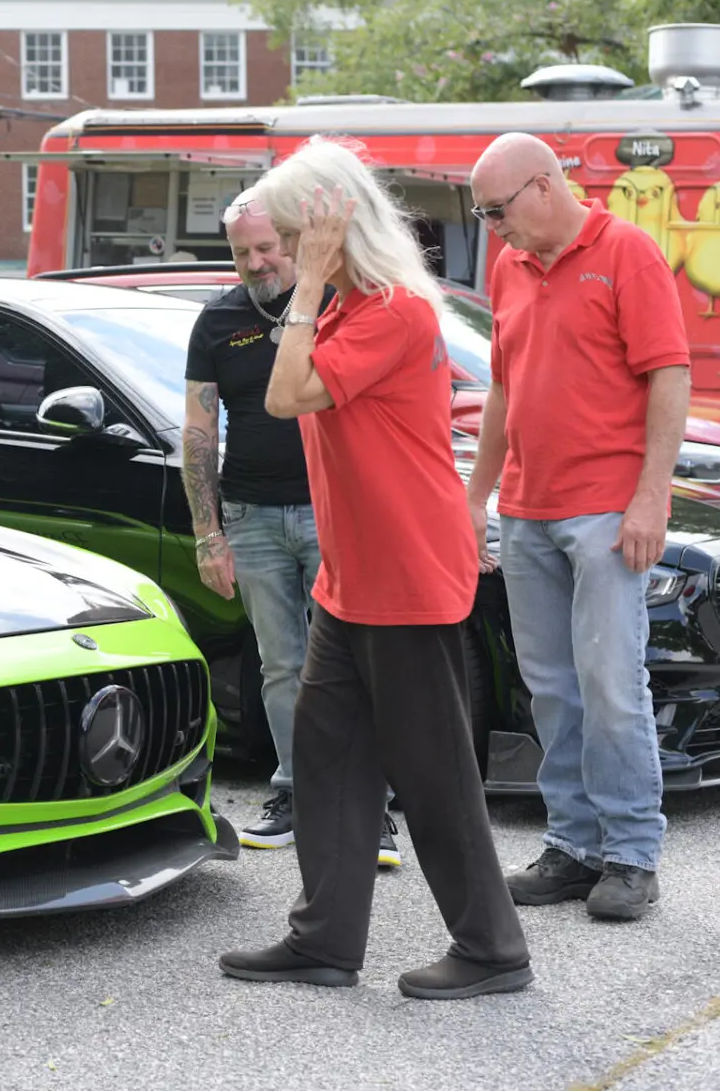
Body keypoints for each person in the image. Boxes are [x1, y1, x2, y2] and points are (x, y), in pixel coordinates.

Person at [217, 138, 531, 1001]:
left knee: (433, 780)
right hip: (351, 581)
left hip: (406, 574)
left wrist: (309, 280)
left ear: (330, 226)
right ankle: (323, 941)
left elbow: (286, 397)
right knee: (325, 760)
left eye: (290, 235)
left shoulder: (392, 310)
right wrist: (314, 289)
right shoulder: (351, 309)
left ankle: (494, 950)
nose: (275, 253)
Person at [464, 133, 690, 923]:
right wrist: (477, 496)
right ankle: (574, 845)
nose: (493, 227)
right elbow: (500, 390)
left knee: (611, 684)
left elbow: (669, 374)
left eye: (498, 210)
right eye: (483, 214)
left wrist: (651, 497)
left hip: (604, 509)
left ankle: (631, 855)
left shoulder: (627, 252)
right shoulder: (508, 266)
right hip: (527, 509)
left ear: (544, 185)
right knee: (552, 690)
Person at [181, 188, 399, 867]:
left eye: (265, 247)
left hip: (333, 509)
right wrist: (207, 533)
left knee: (355, 663)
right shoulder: (215, 324)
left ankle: (369, 808)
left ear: (291, 241)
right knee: (282, 666)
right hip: (251, 516)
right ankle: (297, 794)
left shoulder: (334, 306)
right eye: (242, 252)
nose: (255, 261)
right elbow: (197, 428)